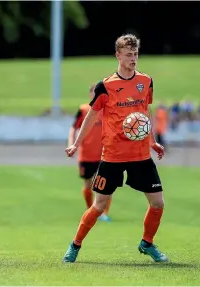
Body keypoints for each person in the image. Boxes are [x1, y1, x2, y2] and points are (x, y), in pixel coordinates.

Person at [62, 34, 167, 263]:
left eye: (136, 54)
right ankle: (75, 245)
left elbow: (144, 114)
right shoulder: (106, 86)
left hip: (140, 155)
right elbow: (91, 117)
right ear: (117, 55)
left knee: (158, 203)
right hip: (112, 156)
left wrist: (153, 141)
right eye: (129, 55)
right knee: (98, 206)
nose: (133, 59)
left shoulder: (146, 81)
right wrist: (76, 144)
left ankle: (147, 243)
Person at [68, 83, 111, 222]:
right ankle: (90, 210)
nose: (96, 95)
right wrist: (71, 144)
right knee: (88, 184)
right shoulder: (84, 110)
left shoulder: (108, 110)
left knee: (106, 185)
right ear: (90, 94)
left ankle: (104, 213)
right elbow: (73, 128)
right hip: (86, 155)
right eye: (94, 92)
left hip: (105, 155)